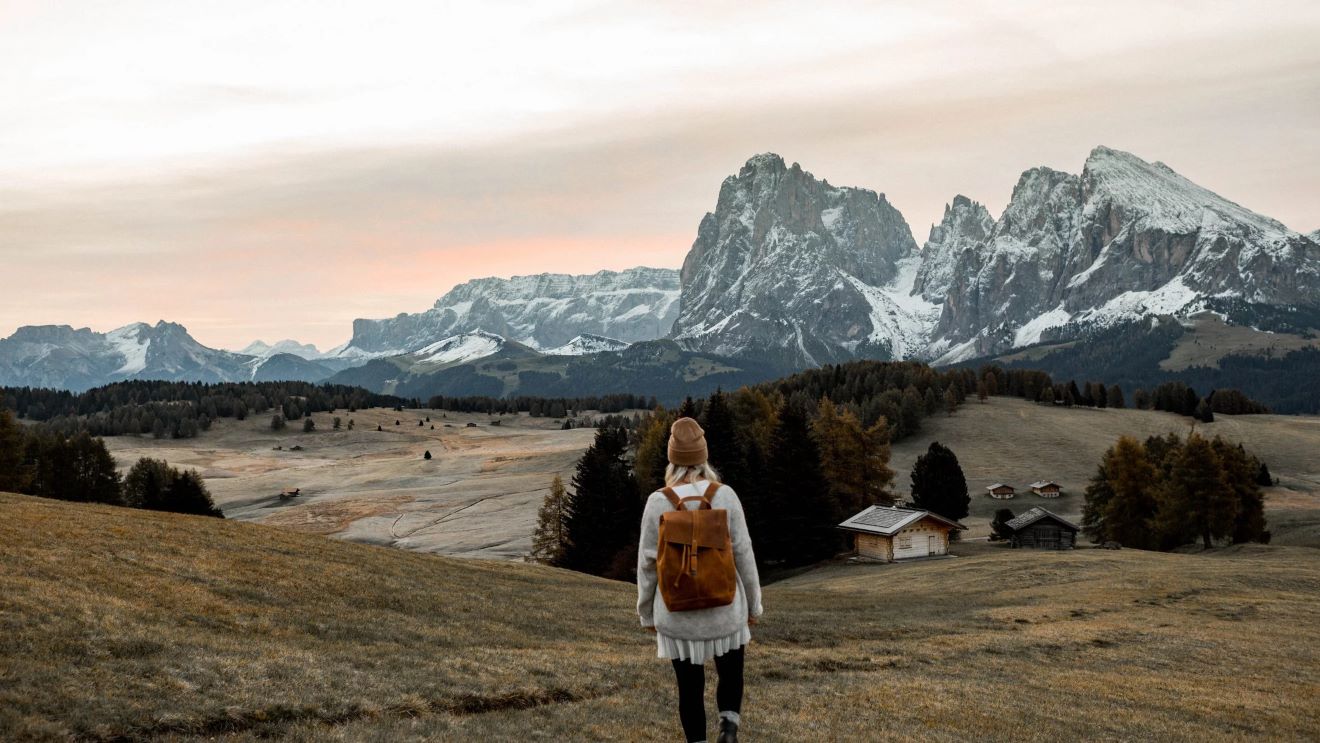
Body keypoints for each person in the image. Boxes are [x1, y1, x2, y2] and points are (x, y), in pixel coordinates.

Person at [637, 417, 763, 743]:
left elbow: (648, 565)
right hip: (725, 610)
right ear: (704, 458)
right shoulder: (726, 496)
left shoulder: (657, 502)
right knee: (731, 674)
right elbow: (744, 554)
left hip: (677, 615)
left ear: (672, 459)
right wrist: (755, 605)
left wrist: (647, 613)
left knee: (689, 689)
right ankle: (728, 728)